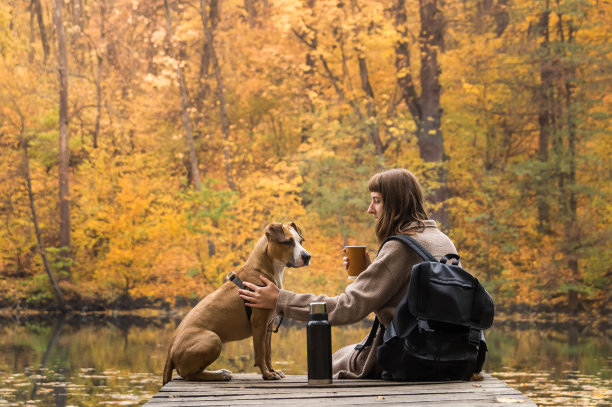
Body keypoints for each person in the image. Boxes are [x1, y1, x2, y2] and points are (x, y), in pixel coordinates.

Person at [238, 168, 459, 379]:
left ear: (396, 204)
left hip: (411, 356)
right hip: (451, 354)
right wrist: (371, 272)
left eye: (377, 200)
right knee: (346, 353)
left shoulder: (400, 247)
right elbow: (416, 301)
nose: (370, 209)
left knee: (331, 361)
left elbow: (347, 308)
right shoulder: (441, 240)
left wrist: (280, 300)